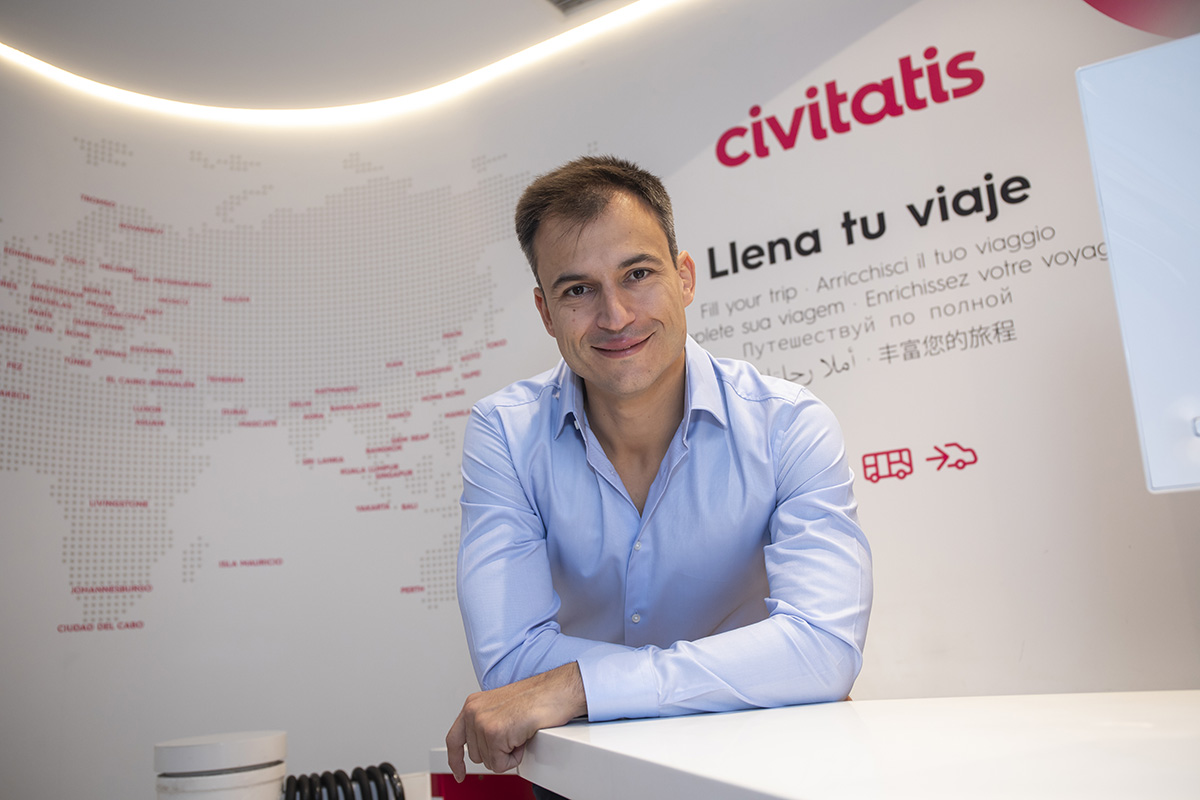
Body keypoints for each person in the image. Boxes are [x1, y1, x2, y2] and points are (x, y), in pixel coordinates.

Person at [445, 155, 872, 786]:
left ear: (684, 277)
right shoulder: (503, 435)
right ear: (545, 312)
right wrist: (760, 667)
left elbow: (822, 648)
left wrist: (572, 685)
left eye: (637, 274)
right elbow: (510, 662)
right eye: (577, 290)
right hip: (588, 780)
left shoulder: (789, 425)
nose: (615, 316)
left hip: (764, 767)